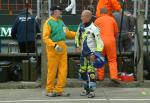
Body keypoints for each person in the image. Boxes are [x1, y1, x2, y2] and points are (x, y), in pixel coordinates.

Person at [42, 5, 76, 97]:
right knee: (52, 70)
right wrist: (54, 45)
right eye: (59, 10)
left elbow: (67, 33)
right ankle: (49, 90)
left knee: (63, 70)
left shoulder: (61, 22)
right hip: (53, 49)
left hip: (62, 48)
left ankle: (59, 90)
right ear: (54, 12)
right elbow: (45, 38)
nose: (61, 12)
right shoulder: (48, 22)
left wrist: (77, 34)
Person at [75, 10, 104, 98]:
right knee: (82, 72)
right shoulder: (80, 26)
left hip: (91, 55)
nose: (81, 18)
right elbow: (77, 36)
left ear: (87, 17)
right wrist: (77, 46)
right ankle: (86, 88)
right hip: (83, 55)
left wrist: (95, 54)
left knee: (91, 72)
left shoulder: (94, 28)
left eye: (82, 16)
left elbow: (100, 43)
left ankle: (92, 91)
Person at [94, 8, 120, 83]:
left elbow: (94, 33)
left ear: (100, 13)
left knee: (100, 58)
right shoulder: (112, 19)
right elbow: (116, 33)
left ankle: (100, 77)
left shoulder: (97, 20)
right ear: (107, 12)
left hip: (100, 42)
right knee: (112, 60)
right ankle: (114, 76)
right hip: (110, 41)